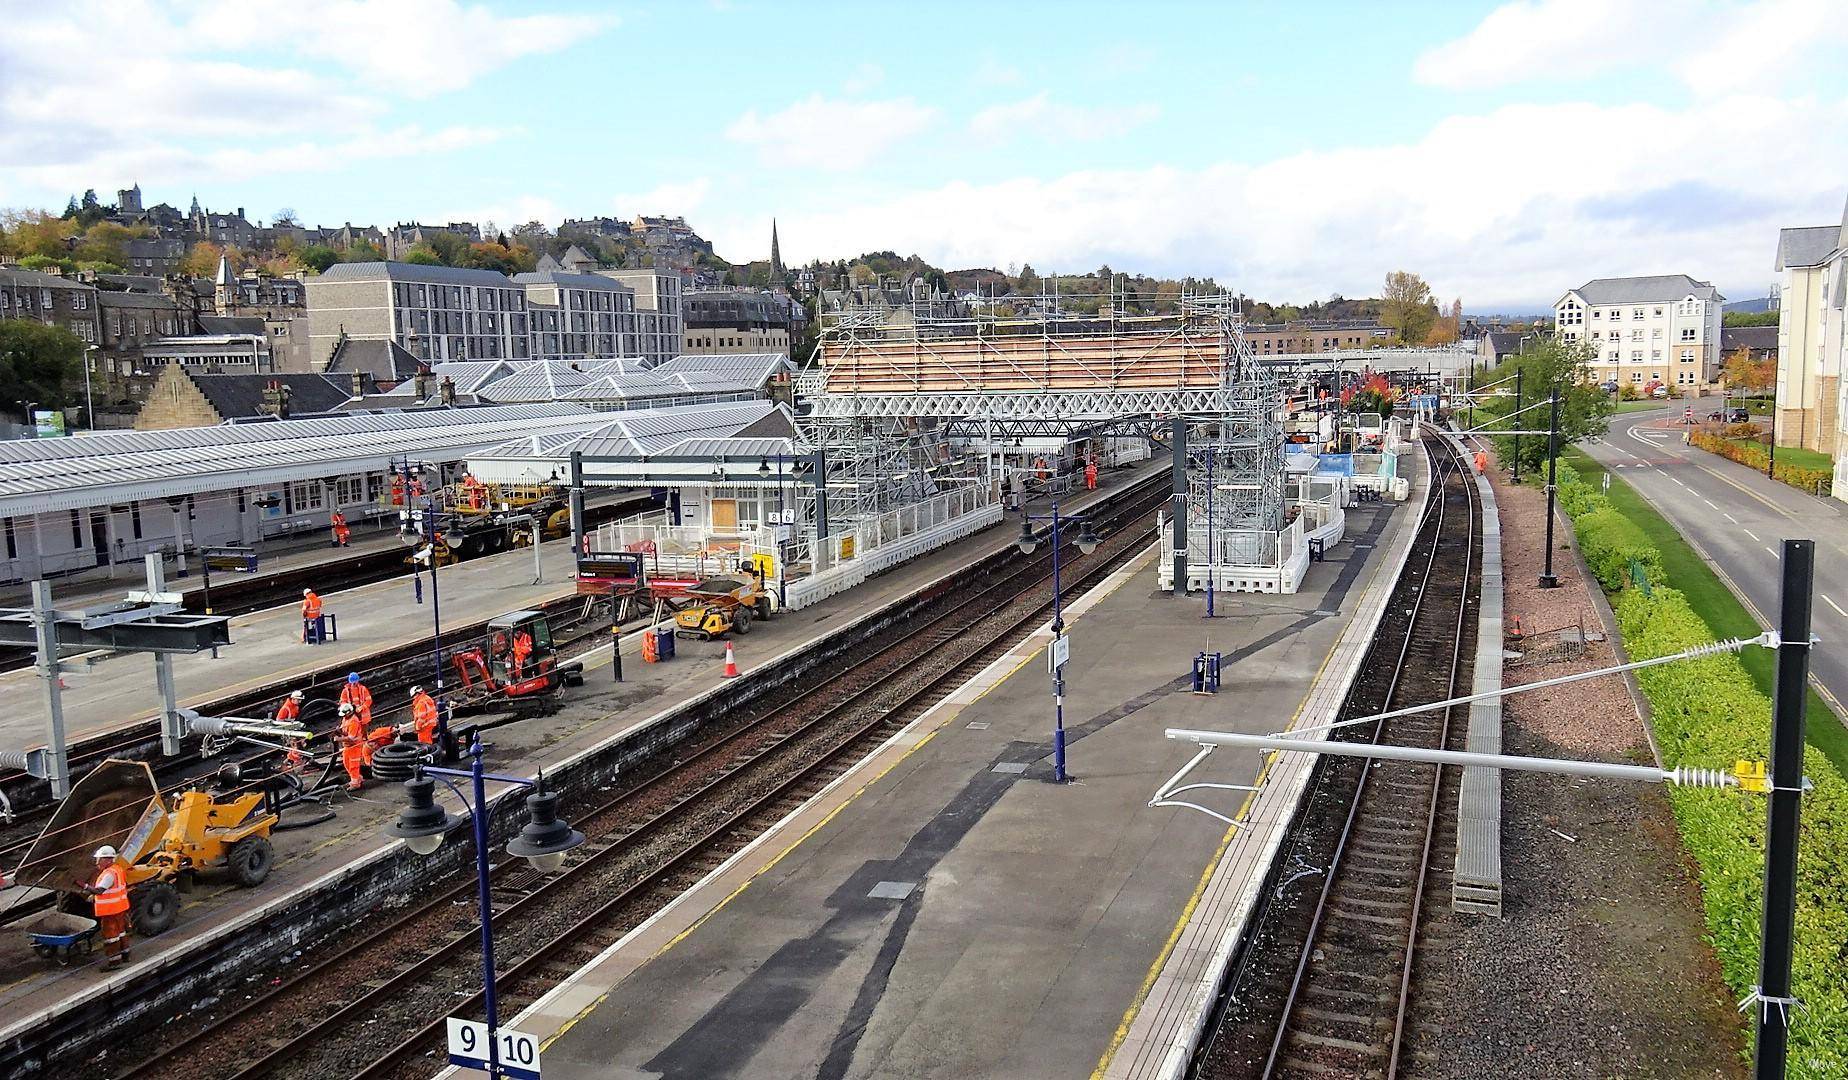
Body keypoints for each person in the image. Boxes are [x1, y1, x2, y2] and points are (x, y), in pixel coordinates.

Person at [80, 846, 131, 969]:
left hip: (110, 911)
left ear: (108, 860)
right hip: (120, 907)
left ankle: (114, 962)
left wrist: (85, 886)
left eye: (99, 859)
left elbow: (99, 890)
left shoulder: (109, 874)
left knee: (111, 936)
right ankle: (125, 954)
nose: (97, 862)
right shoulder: (117, 869)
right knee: (121, 932)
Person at [337, 703, 367, 790]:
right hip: (348, 746)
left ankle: (355, 784)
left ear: (349, 712)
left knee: (353, 765)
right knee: (346, 763)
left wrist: (339, 739)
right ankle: (358, 778)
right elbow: (345, 731)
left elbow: (351, 738)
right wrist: (339, 732)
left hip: (355, 746)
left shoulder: (354, 721)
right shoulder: (345, 718)